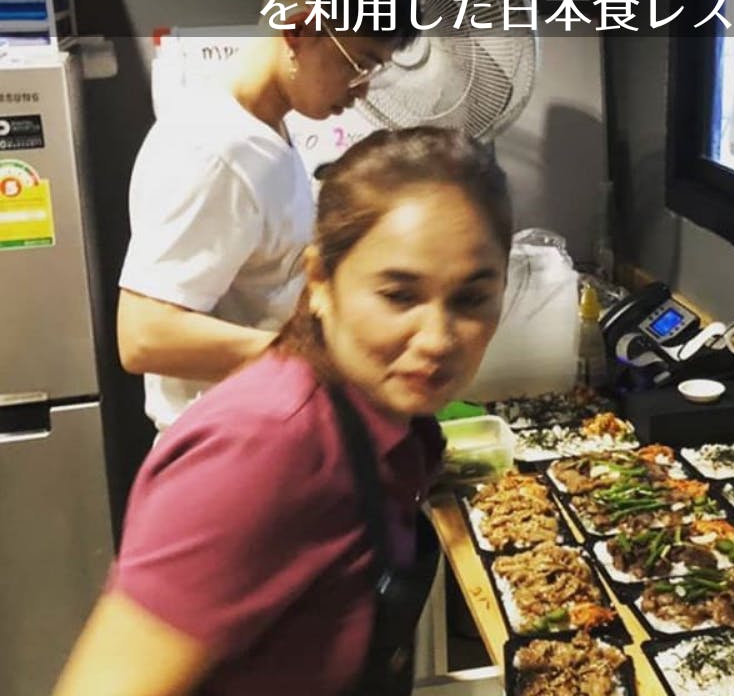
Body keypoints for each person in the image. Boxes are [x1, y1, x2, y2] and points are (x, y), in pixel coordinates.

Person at [53, 127, 512, 696]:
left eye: (471, 298)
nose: (438, 339)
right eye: (399, 296)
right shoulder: (263, 449)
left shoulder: (385, 412)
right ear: (319, 281)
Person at [117, 0, 420, 430]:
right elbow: (145, 335)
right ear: (298, 28)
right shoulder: (214, 147)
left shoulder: (264, 126)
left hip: (270, 425)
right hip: (226, 444)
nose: (363, 88)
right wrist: (318, 361)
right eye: (359, 63)